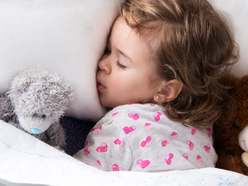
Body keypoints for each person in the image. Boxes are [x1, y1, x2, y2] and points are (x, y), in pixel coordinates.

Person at [73, 0, 239, 172]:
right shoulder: (202, 129)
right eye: (107, 50)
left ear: (166, 90)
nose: (103, 64)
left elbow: (75, 176)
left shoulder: (122, 125)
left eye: (121, 63)